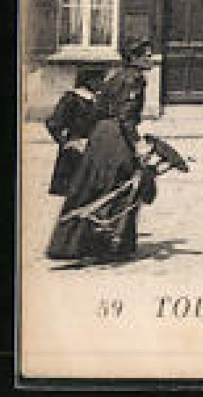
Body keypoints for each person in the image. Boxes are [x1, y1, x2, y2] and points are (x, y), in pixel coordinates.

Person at [46, 47, 155, 263]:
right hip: (115, 138)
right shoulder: (134, 79)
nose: (151, 59)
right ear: (134, 58)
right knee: (121, 188)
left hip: (101, 135)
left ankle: (72, 243)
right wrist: (138, 144)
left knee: (92, 188)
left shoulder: (116, 77)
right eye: (147, 55)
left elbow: (100, 110)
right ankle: (111, 245)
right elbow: (125, 116)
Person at [45, 63, 106, 197]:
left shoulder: (99, 100)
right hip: (74, 153)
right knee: (73, 193)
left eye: (102, 79)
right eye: (98, 80)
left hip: (94, 151)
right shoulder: (71, 99)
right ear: (87, 81)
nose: (101, 83)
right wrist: (66, 142)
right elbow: (53, 123)